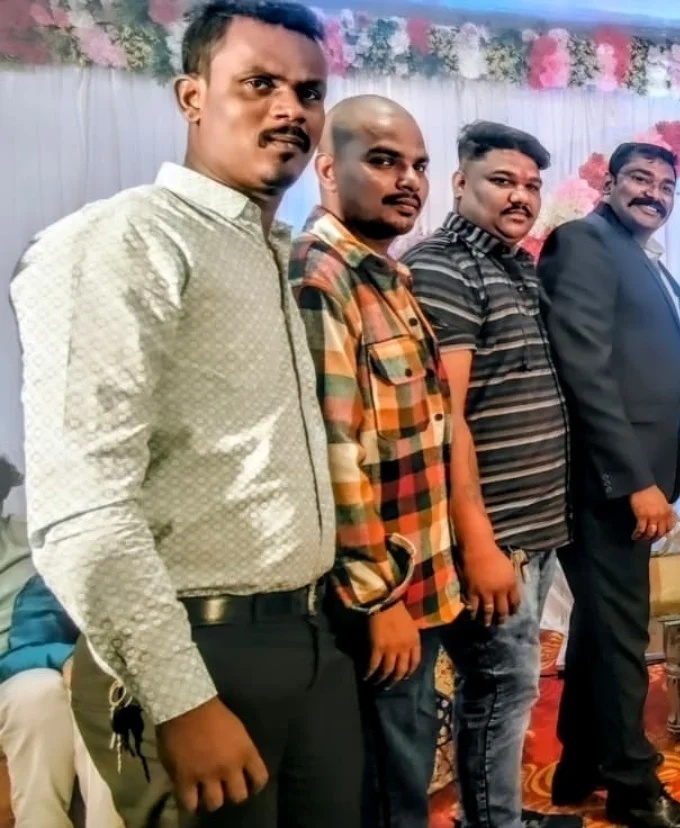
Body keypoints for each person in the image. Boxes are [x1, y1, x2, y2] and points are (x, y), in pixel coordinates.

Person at [9, 1, 363, 824]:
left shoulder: (267, 254)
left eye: (308, 92)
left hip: (307, 638)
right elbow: (82, 507)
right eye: (259, 84)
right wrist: (181, 700)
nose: (290, 109)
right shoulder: (125, 240)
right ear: (192, 96)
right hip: (196, 651)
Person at [291, 95, 476, 828]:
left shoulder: (386, 276)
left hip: (416, 579)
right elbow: (334, 456)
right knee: (387, 790)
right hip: (378, 600)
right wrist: (378, 599)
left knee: (406, 774)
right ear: (327, 169)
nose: (408, 180)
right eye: (383, 160)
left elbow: (426, 428)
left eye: (418, 165)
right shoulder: (321, 276)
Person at [405, 122, 581, 828]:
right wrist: (478, 540)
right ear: (460, 183)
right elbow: (444, 416)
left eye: (531, 185)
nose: (521, 197)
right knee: (503, 687)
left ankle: (496, 811)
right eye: (502, 181)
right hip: (494, 532)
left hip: (529, 526)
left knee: (511, 686)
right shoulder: (443, 267)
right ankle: (492, 822)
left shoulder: (515, 265)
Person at [537, 142, 680, 828]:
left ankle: (580, 763)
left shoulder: (638, 256)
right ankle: (633, 787)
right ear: (608, 183)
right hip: (606, 482)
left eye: (666, 185)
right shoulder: (584, 242)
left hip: (634, 476)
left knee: (602, 626)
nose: (653, 193)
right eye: (640, 178)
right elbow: (585, 367)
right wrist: (634, 481)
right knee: (622, 634)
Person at [0, 457, 121, 828]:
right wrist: (61, 657)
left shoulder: (38, 545)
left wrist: (78, 662)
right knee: (36, 691)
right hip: (23, 680)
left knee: (98, 689)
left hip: (37, 676)